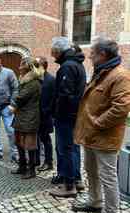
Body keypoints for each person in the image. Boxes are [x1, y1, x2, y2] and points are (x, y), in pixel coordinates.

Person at [73, 38, 130, 213]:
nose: (90, 56)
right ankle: (95, 202)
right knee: (90, 171)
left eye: (93, 53)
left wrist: (97, 123)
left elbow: (121, 108)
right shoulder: (102, 73)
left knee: (108, 177)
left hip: (105, 137)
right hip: (91, 135)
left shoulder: (120, 75)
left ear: (103, 55)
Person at [48, 37, 86, 198]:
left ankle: (69, 185)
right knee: (73, 148)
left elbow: (65, 95)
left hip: (66, 117)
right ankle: (76, 179)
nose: (52, 55)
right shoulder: (77, 64)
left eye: (53, 52)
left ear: (58, 51)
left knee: (66, 149)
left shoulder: (67, 67)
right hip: (74, 115)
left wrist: (57, 113)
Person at [11, 57, 43, 179]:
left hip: (30, 117)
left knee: (30, 144)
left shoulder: (33, 82)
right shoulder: (24, 80)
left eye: (21, 65)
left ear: (28, 67)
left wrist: (13, 102)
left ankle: (31, 169)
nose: (19, 67)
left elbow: (21, 97)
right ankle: (22, 166)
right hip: (21, 116)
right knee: (19, 142)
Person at [36, 56, 55, 171]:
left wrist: (47, 111)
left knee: (45, 139)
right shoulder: (35, 79)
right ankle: (36, 160)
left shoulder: (51, 80)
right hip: (35, 115)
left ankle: (48, 162)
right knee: (35, 138)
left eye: (36, 65)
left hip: (45, 115)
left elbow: (54, 98)